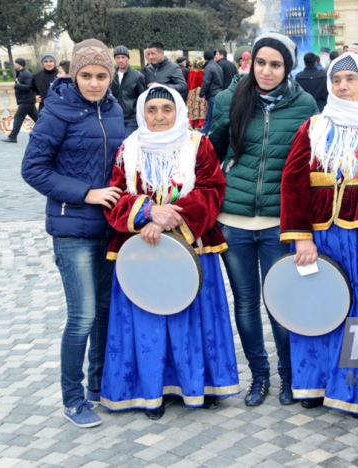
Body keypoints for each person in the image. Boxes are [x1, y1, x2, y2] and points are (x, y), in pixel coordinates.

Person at [100, 84, 240, 419]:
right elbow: (115, 197)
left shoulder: (198, 144)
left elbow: (212, 188)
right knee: (147, 317)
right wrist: (146, 212)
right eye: (152, 110)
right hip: (140, 249)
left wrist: (163, 221)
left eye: (166, 109)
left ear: (179, 111)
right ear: (141, 114)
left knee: (192, 315)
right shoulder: (127, 149)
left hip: (191, 246)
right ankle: (151, 393)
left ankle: (199, 387)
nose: (159, 116)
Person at [208, 33, 317, 407]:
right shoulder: (228, 100)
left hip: (277, 223)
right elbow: (212, 153)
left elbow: (307, 166)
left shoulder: (305, 106)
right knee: (245, 302)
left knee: (280, 303)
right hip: (233, 221)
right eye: (260, 63)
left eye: (275, 64)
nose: (266, 71)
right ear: (250, 62)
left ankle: (290, 375)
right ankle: (259, 376)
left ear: (288, 67)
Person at [21, 39, 125, 427]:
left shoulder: (115, 110)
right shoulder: (56, 111)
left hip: (108, 228)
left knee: (104, 311)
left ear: (110, 76)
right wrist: (87, 193)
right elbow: (33, 169)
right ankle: (73, 398)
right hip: (71, 229)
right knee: (81, 316)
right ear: (73, 74)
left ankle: (99, 387)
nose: (94, 83)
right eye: (86, 75)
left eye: (101, 76)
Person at [279, 52, 358, 411]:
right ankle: (315, 384)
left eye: (350, 79)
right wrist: (302, 236)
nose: (342, 86)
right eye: (337, 79)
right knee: (319, 304)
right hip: (322, 238)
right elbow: (292, 183)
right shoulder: (314, 127)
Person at [111, 45, 146, 138]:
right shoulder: (111, 76)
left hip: (132, 118)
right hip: (115, 116)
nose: (120, 60)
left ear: (128, 58)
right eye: (118, 57)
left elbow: (142, 98)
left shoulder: (137, 76)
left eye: (123, 57)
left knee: (128, 142)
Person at [2, 58, 38, 143]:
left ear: (20, 64)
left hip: (26, 101)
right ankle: (50, 131)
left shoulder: (26, 74)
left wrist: (16, 86)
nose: (14, 64)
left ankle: (12, 137)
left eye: (16, 63)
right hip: (27, 101)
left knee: (18, 118)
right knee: (38, 118)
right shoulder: (21, 73)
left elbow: (30, 87)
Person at [199, 50, 224, 135]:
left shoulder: (208, 67)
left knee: (214, 115)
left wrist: (201, 94)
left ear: (205, 58)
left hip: (212, 94)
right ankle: (204, 132)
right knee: (210, 114)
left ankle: (214, 133)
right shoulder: (218, 66)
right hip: (219, 92)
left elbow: (206, 82)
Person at [186, 58, 207, 129]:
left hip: (191, 92)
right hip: (199, 91)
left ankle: (191, 123)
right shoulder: (201, 72)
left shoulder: (191, 72)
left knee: (193, 108)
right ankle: (200, 123)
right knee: (201, 108)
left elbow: (189, 83)